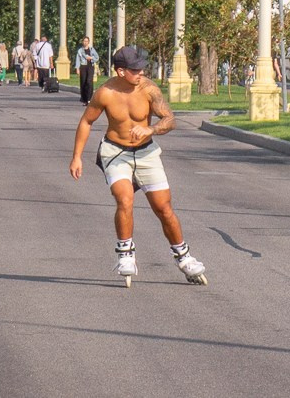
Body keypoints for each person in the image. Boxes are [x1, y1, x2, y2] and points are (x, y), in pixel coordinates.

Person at [69, 45, 207, 286]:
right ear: (121, 72)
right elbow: (86, 122)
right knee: (124, 199)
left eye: (142, 68)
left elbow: (170, 119)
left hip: (146, 153)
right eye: (136, 70)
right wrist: (77, 156)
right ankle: (125, 253)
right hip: (115, 151)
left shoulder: (148, 89)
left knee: (163, 208)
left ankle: (184, 257)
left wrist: (150, 129)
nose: (141, 73)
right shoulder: (105, 93)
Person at [76, 37, 99, 103]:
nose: (85, 42)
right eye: (84, 41)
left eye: (86, 41)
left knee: (89, 82)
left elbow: (97, 57)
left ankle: (89, 99)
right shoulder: (80, 51)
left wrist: (91, 58)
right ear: (82, 42)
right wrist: (77, 68)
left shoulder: (91, 49)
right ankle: (84, 99)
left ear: (88, 42)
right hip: (83, 67)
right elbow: (78, 60)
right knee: (83, 82)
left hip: (90, 66)